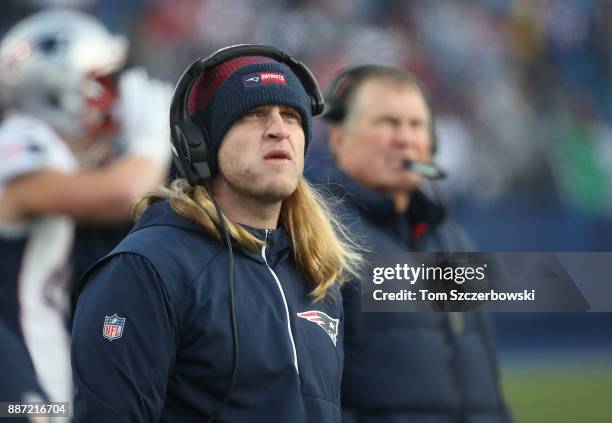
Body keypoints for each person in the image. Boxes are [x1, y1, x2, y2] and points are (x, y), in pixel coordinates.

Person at [71, 45, 361, 422]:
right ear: (200, 144)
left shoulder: (317, 273)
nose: (279, 130)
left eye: (291, 115)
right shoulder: (145, 269)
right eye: (253, 114)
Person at [310, 65, 511, 422]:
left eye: (416, 125)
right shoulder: (316, 236)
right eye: (387, 122)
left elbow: (483, 375)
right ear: (339, 138)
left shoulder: (453, 239)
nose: (404, 138)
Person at [0, 9, 171, 404]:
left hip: (36, 354)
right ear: (55, 89)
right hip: (16, 355)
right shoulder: (22, 139)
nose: (112, 101)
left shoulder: (48, 152)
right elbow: (122, 195)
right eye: (103, 83)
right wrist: (151, 143)